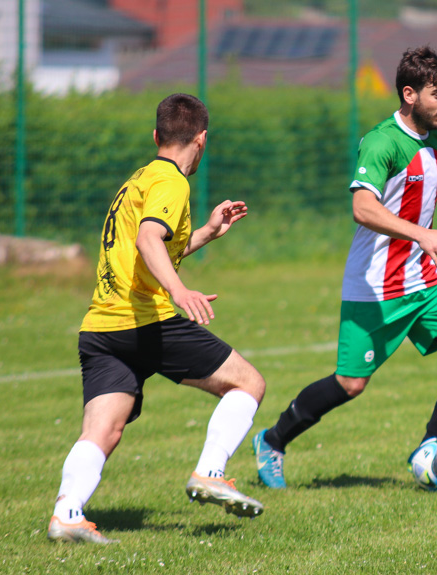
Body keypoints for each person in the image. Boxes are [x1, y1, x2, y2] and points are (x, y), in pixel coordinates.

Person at [252, 46, 437, 489]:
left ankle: (432, 447)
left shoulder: (435, 135)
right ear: (408, 94)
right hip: (377, 286)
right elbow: (363, 208)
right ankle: (272, 440)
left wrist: (421, 240)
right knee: (349, 384)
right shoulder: (383, 141)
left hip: (424, 278)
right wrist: (420, 234)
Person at [48, 93, 267, 544]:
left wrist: (206, 232)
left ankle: (67, 514)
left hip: (101, 327)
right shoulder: (171, 182)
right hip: (146, 321)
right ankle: (210, 472)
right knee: (248, 384)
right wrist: (178, 290)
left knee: (103, 429)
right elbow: (150, 239)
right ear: (202, 140)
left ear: (156, 135)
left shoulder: (139, 179)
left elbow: (149, 248)